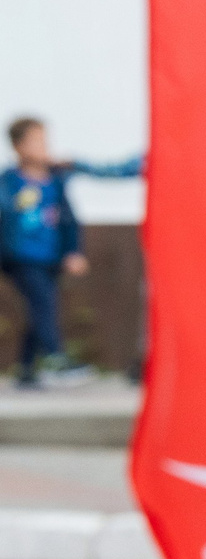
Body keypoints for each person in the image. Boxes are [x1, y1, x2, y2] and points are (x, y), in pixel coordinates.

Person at [2, 116, 136, 388]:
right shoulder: (9, 182)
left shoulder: (56, 179)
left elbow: (67, 219)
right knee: (44, 302)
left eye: (45, 141)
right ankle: (56, 358)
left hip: (49, 255)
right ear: (18, 146)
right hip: (19, 256)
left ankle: (26, 369)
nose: (43, 147)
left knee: (40, 307)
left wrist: (73, 251)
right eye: (35, 141)